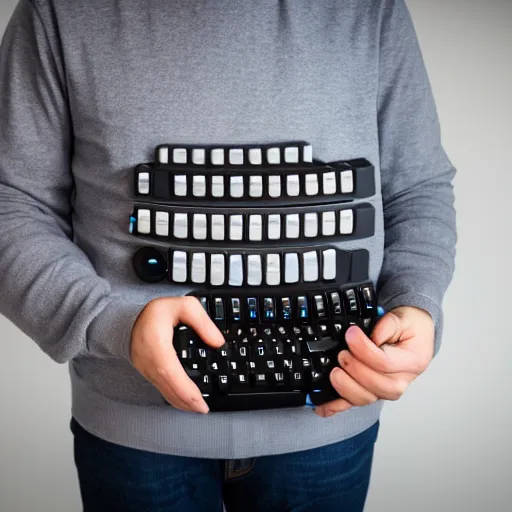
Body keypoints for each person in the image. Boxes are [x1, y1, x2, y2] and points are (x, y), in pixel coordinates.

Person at [0, 0, 456, 511]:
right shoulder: (58, 10)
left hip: (328, 425)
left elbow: (416, 187)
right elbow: (12, 201)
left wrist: (415, 302)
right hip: (133, 434)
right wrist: (109, 322)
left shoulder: (369, 7)